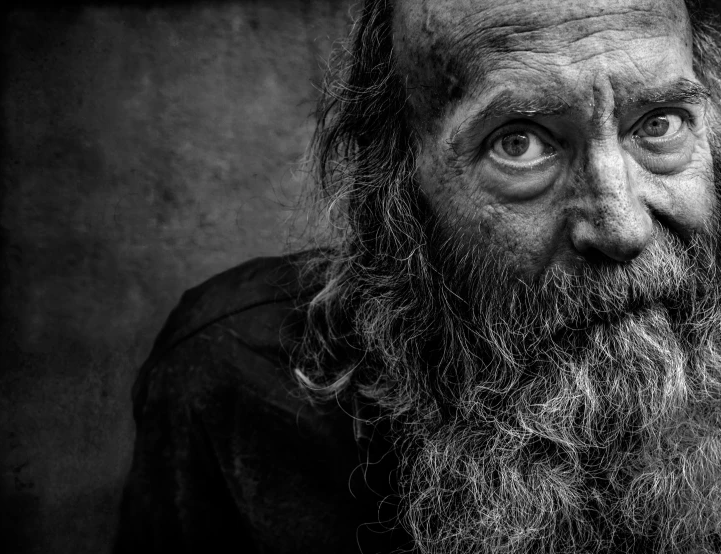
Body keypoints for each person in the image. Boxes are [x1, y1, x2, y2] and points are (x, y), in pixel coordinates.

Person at [113, 0, 721, 552]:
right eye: (520, 143)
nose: (621, 227)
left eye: (660, 124)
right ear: (397, 187)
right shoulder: (235, 379)